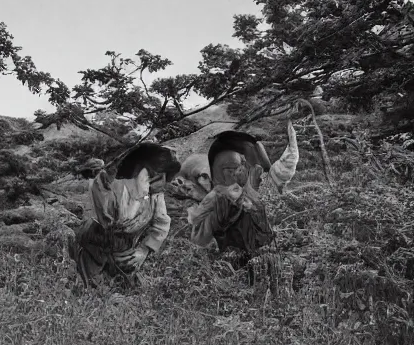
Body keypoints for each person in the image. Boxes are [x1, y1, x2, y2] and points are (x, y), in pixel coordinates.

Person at [68, 143, 179, 289]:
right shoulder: (115, 188)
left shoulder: (156, 196)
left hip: (125, 250)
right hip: (96, 246)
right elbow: (104, 214)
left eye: (162, 177)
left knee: (132, 290)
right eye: (153, 176)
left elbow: (161, 223)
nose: (160, 183)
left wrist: (144, 250)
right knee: (93, 290)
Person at [186, 121, 300, 260]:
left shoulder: (256, 187)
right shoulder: (219, 198)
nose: (237, 172)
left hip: (265, 257)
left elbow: (280, 173)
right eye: (229, 169)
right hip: (234, 262)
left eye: (242, 166)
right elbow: (200, 238)